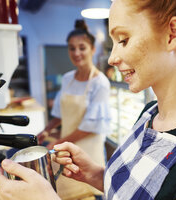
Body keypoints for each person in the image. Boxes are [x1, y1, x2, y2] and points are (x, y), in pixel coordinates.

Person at [0, 0, 176, 200]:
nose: (112, 58)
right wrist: (96, 175)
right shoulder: (150, 113)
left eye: (123, 39)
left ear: (173, 34)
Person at [36, 19, 112, 199]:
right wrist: (46, 131)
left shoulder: (100, 83)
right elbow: (61, 114)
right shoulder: (68, 78)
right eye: (71, 48)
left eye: (82, 47)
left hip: (89, 149)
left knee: (90, 191)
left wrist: (58, 143)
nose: (76, 52)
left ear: (92, 49)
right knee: (67, 189)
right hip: (67, 147)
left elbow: (89, 127)